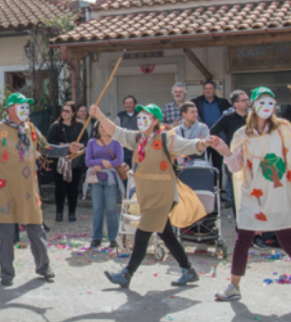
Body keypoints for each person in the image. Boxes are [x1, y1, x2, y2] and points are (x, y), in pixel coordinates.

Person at [208, 88, 291, 305]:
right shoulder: (242, 134)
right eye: (261, 103)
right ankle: (234, 286)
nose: (266, 107)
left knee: (287, 241)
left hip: (278, 194)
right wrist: (224, 150)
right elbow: (236, 166)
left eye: (270, 103)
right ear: (253, 105)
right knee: (243, 240)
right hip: (253, 195)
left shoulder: (283, 129)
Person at [91, 102, 216, 288]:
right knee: (166, 234)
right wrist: (99, 114)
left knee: (142, 233)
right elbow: (116, 131)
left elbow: (186, 145)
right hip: (148, 195)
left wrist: (203, 143)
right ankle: (188, 270)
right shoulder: (138, 138)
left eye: (145, 117)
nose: (141, 120)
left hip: (162, 195)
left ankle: (127, 274)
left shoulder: (166, 137)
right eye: (139, 117)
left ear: (155, 121)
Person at [0, 93, 81, 285]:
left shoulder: (31, 129)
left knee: (36, 228)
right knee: (6, 233)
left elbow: (47, 148)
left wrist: (68, 150)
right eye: (22, 106)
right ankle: (6, 273)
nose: (26, 109)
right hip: (3, 190)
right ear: (10, 108)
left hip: (27, 188)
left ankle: (44, 266)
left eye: (27, 106)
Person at [84, 122, 124, 248]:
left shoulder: (116, 142)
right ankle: (96, 238)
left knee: (112, 209)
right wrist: (101, 161)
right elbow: (87, 161)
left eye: (106, 126)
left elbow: (119, 160)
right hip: (95, 179)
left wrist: (102, 165)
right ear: (97, 129)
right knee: (97, 209)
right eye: (101, 126)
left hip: (110, 180)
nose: (104, 129)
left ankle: (113, 238)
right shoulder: (91, 142)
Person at [210, 90, 249, 211]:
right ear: (235, 104)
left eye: (248, 100)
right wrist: (223, 145)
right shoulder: (228, 118)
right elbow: (212, 132)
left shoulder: (254, 117)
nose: (247, 102)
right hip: (233, 157)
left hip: (252, 157)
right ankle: (239, 221)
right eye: (243, 100)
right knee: (236, 191)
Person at [47, 102, 85, 222]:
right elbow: (49, 142)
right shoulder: (56, 126)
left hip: (75, 161)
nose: (64, 113)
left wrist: (78, 146)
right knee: (60, 188)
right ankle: (59, 212)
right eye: (63, 110)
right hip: (60, 162)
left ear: (73, 113)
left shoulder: (80, 126)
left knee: (73, 189)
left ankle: (72, 213)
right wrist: (64, 146)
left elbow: (86, 141)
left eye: (67, 111)